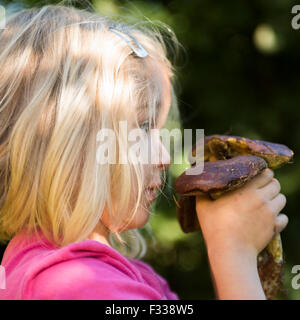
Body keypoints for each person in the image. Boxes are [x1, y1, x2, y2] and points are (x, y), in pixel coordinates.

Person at [0, 4, 288, 300]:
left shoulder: (99, 275)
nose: (164, 157)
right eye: (141, 128)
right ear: (64, 144)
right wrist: (233, 252)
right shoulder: (82, 286)